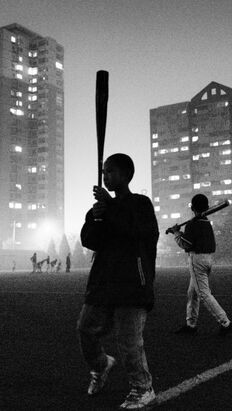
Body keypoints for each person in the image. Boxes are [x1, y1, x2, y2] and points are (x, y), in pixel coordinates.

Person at [77, 153, 158, 409]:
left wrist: (109, 208)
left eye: (110, 171)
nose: (105, 176)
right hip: (103, 282)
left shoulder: (140, 203)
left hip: (132, 283)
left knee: (128, 341)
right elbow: (90, 240)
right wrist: (96, 216)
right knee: (85, 329)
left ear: (126, 175)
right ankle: (100, 366)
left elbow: (137, 231)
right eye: (103, 171)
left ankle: (143, 388)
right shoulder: (104, 208)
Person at [168, 194, 232, 336]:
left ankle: (225, 322)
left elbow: (185, 243)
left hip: (197, 260)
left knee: (203, 294)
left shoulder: (193, 224)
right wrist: (178, 232)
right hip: (208, 259)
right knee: (192, 293)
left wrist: (175, 233)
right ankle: (191, 324)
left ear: (192, 208)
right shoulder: (206, 222)